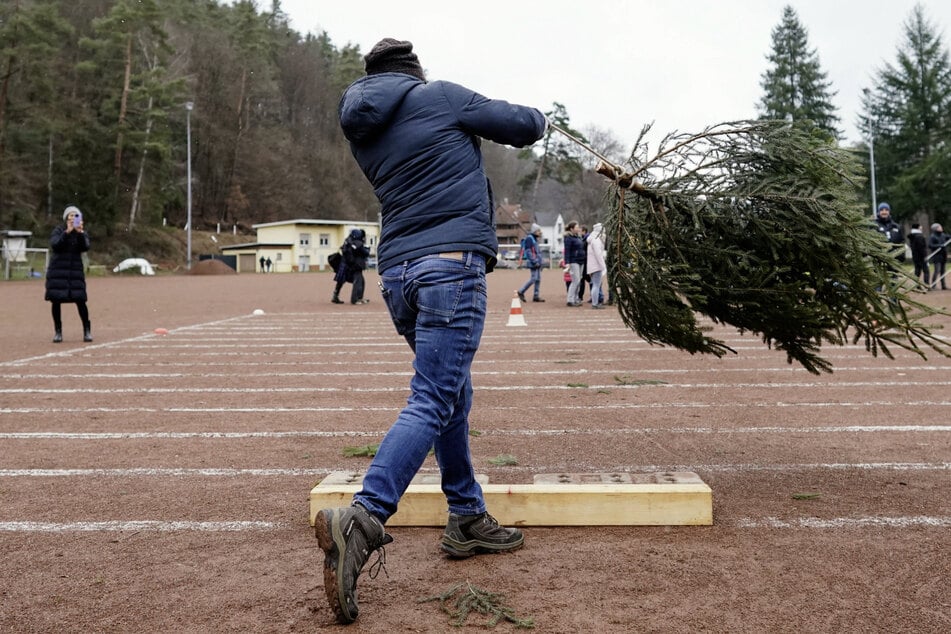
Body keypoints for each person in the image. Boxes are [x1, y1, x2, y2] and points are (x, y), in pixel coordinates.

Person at [314, 38, 547, 625]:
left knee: (452, 394)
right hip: (450, 267)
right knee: (435, 396)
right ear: (413, 72)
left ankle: (466, 515)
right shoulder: (438, 97)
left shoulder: (361, 129)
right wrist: (546, 116)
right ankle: (364, 518)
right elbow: (519, 126)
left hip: (397, 274)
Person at [45, 205, 92, 343]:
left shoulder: (81, 232)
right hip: (58, 270)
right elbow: (55, 245)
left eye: (76, 216)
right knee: (56, 300)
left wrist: (80, 233)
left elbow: (85, 247)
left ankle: (87, 330)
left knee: (80, 300)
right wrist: (67, 232)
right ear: (66, 218)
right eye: (70, 215)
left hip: (75, 271)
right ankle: (58, 332)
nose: (73, 218)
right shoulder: (59, 230)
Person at [516, 224, 544, 303]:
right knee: (533, 278)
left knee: (538, 279)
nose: (540, 232)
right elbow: (528, 251)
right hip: (533, 262)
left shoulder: (535, 239)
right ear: (534, 231)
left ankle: (536, 295)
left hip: (537, 262)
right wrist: (534, 261)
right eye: (538, 231)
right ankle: (521, 291)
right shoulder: (529, 239)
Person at [342, 228, 370, 304]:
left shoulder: (350, 242)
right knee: (357, 282)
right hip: (357, 265)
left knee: (362, 282)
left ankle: (359, 297)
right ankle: (354, 299)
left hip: (353, 264)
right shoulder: (358, 243)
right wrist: (367, 248)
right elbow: (366, 253)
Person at [563, 221, 585, 306]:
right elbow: (567, 251)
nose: (578, 229)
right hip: (573, 261)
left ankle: (575, 298)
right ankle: (570, 299)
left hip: (581, 260)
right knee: (575, 281)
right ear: (572, 229)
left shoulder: (578, 237)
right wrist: (567, 263)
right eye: (576, 227)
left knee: (579, 281)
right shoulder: (568, 238)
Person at [586, 222, 607, 309]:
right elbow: (598, 255)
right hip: (596, 266)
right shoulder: (596, 240)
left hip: (592, 266)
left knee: (595, 284)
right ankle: (595, 303)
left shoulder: (593, 239)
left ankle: (595, 302)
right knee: (596, 285)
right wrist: (603, 267)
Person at [908, 223, 930, 287]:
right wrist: (925, 256)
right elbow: (921, 247)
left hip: (915, 256)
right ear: (918, 227)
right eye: (920, 226)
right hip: (921, 257)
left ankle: (916, 285)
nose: (921, 227)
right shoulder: (919, 236)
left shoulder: (912, 235)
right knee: (926, 271)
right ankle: (926, 285)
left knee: (917, 271)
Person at [929, 223, 948, 290]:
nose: (941, 228)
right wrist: (940, 245)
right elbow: (930, 245)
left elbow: (948, 237)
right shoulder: (933, 236)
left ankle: (943, 285)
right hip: (937, 256)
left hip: (943, 256)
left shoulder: (943, 235)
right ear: (936, 228)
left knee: (943, 271)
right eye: (940, 227)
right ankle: (933, 285)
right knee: (937, 270)